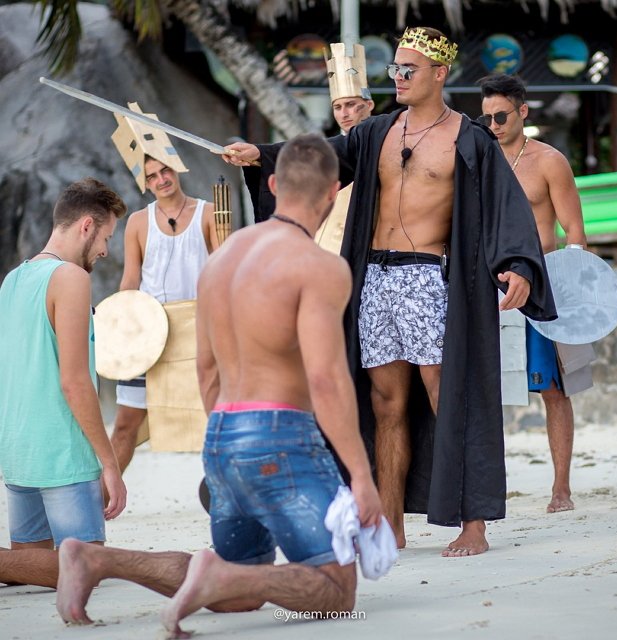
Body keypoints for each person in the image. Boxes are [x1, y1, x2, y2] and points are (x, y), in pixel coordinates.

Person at [223, 26, 557, 556]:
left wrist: (518, 264)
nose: (397, 77)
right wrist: (263, 156)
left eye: (408, 69)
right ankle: (390, 524)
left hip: (429, 278)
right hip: (375, 278)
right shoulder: (375, 131)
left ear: (439, 74)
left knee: (447, 395)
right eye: (394, 69)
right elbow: (320, 156)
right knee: (384, 403)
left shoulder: (469, 139)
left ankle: (474, 523)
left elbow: (504, 207)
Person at [52, 134, 383, 636]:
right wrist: (360, 476)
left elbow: (206, 370)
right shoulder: (320, 266)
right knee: (337, 593)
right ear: (335, 192)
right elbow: (326, 379)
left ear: (272, 184)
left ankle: (99, 560)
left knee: (238, 597)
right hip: (282, 435)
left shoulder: (223, 261)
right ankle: (218, 574)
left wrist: (224, 437)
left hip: (223, 432)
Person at [0, 178, 127, 556]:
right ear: (86, 225)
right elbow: (74, 382)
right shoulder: (70, 277)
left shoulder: (11, 281)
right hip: (63, 456)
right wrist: (111, 464)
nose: (105, 250)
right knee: (87, 566)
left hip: (19, 454)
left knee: (30, 570)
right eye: (106, 236)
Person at [479, 74, 588, 513]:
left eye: (501, 116)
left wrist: (574, 288)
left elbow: (574, 230)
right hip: (490, 287)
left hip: (543, 285)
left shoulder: (548, 161)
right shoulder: (479, 160)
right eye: (485, 118)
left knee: (553, 388)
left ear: (522, 112)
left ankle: (561, 486)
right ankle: (490, 486)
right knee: (487, 390)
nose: (493, 125)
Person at [110, 155, 220, 473]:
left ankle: (227, 502)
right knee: (125, 425)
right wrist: (122, 325)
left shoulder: (210, 213)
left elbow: (224, 270)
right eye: (152, 176)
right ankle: (99, 504)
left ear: (177, 167)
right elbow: (131, 279)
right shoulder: (138, 222)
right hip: (149, 332)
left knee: (214, 424)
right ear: (145, 184)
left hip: (197, 332)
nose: (161, 179)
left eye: (165, 170)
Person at [314, 42, 374, 255]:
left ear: (369, 105)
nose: (344, 114)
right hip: (325, 246)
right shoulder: (327, 151)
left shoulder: (382, 146)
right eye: (338, 107)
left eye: (350, 105)